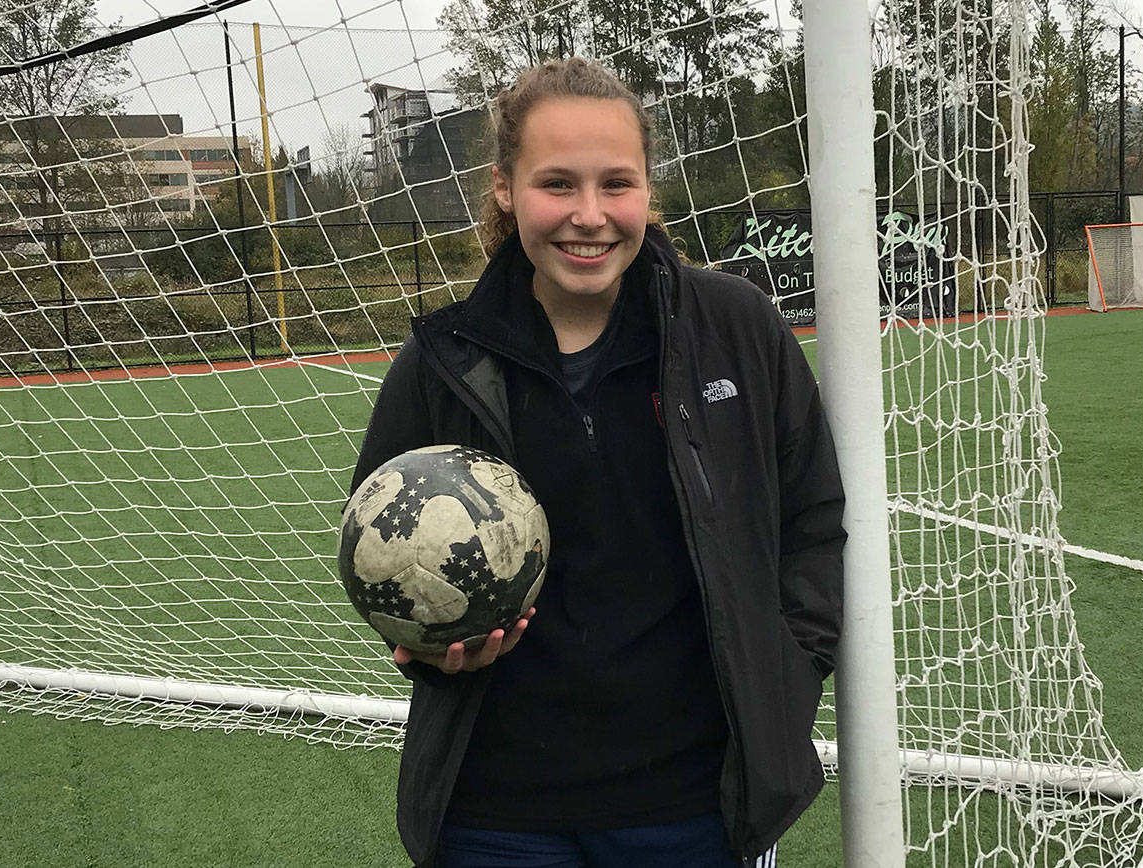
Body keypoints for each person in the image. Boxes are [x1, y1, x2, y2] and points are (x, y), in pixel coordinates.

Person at [348, 57, 845, 868]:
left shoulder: (737, 329)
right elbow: (384, 562)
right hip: (497, 811)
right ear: (507, 188)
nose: (590, 215)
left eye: (617, 184)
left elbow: (814, 517)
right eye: (557, 185)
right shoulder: (443, 360)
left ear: (648, 188)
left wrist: (785, 676)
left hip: (696, 804)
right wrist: (435, 655)